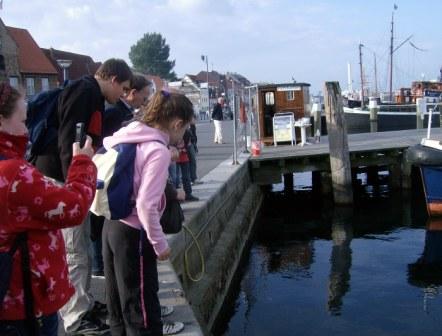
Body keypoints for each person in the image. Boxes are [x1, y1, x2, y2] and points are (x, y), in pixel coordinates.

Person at [33, 58, 132, 335]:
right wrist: (73, 188)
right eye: (122, 88)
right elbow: (70, 141)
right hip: (62, 180)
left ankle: (83, 303)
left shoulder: (91, 93)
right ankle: (75, 318)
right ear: (112, 79)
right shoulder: (85, 92)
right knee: (74, 249)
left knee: (79, 248)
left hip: (67, 179)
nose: (122, 95)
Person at [0, 82, 97, 336]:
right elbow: (74, 207)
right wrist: (83, 163)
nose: (27, 130)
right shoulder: (13, 174)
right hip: (23, 303)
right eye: (23, 121)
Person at [102, 91, 193, 335]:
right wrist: (159, 243)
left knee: (119, 302)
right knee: (142, 307)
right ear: (177, 124)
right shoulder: (157, 150)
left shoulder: (128, 136)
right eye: (184, 130)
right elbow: (145, 205)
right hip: (134, 234)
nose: (183, 136)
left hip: (111, 226)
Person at [90, 74, 151, 278]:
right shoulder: (116, 112)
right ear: (132, 93)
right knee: (100, 222)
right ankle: (100, 267)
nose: (145, 102)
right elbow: (108, 144)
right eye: (144, 97)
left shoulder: (121, 111)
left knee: (102, 223)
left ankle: (102, 267)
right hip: (110, 177)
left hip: (110, 176)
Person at [176, 129, 199, 202]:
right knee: (176, 178)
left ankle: (187, 194)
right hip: (176, 158)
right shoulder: (174, 133)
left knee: (185, 177)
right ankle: (179, 196)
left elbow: (189, 144)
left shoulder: (186, 132)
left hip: (183, 157)